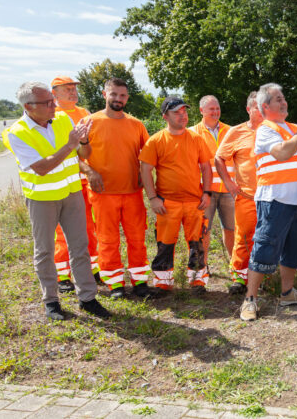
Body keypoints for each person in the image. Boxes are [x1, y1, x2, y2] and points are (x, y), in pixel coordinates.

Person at [2, 81, 110, 320]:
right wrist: (70, 144)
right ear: (29, 107)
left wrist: (83, 142)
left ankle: (88, 299)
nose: (54, 105)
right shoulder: (17, 133)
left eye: (53, 100)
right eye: (47, 103)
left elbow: (82, 156)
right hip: (42, 199)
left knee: (80, 247)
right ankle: (51, 301)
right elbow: (41, 168)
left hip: (71, 194)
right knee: (45, 251)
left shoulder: (63, 120)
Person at [240, 83, 297, 321]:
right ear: (264, 106)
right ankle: (250, 300)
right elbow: (283, 152)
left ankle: (287, 293)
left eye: (284, 98)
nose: (284, 102)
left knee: (293, 250)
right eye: (278, 99)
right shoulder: (266, 130)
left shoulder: (292, 128)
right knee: (264, 247)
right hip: (274, 201)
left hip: (295, 203)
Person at [140, 97, 213, 294]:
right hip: (167, 203)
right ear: (165, 116)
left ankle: (197, 281)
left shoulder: (197, 138)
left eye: (184, 112)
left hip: (194, 202)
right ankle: (164, 283)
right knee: (165, 244)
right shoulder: (155, 141)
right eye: (176, 112)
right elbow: (145, 170)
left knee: (197, 243)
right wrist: (153, 198)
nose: (182, 115)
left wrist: (207, 193)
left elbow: (206, 167)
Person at [85, 78, 151, 298]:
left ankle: (140, 281)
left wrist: (144, 174)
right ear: (105, 94)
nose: (118, 99)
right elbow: (73, 155)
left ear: (127, 98)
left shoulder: (136, 124)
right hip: (103, 194)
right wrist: (89, 171)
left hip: (132, 192)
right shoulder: (89, 122)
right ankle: (115, 284)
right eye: (113, 94)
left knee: (137, 238)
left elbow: (148, 156)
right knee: (107, 239)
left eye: (122, 95)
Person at [50, 76, 102, 291]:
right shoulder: (51, 116)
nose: (73, 92)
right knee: (63, 231)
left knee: (90, 227)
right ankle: (63, 275)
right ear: (54, 93)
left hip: (85, 181)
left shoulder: (84, 114)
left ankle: (93, 268)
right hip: (64, 181)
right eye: (67, 89)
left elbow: (92, 146)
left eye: (73, 88)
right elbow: (66, 153)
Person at [216, 92, 263, 295]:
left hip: (272, 198)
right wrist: (228, 182)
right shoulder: (236, 132)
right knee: (243, 239)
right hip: (247, 197)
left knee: (268, 239)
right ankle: (239, 279)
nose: (261, 111)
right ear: (248, 109)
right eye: (257, 108)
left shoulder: (277, 131)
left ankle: (265, 276)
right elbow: (219, 158)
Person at [189, 96, 235, 275]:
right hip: (204, 192)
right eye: (211, 109)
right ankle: (202, 269)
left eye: (217, 108)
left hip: (228, 191)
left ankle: (235, 268)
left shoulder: (231, 131)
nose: (215, 112)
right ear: (201, 111)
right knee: (203, 231)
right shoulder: (193, 133)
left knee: (231, 230)